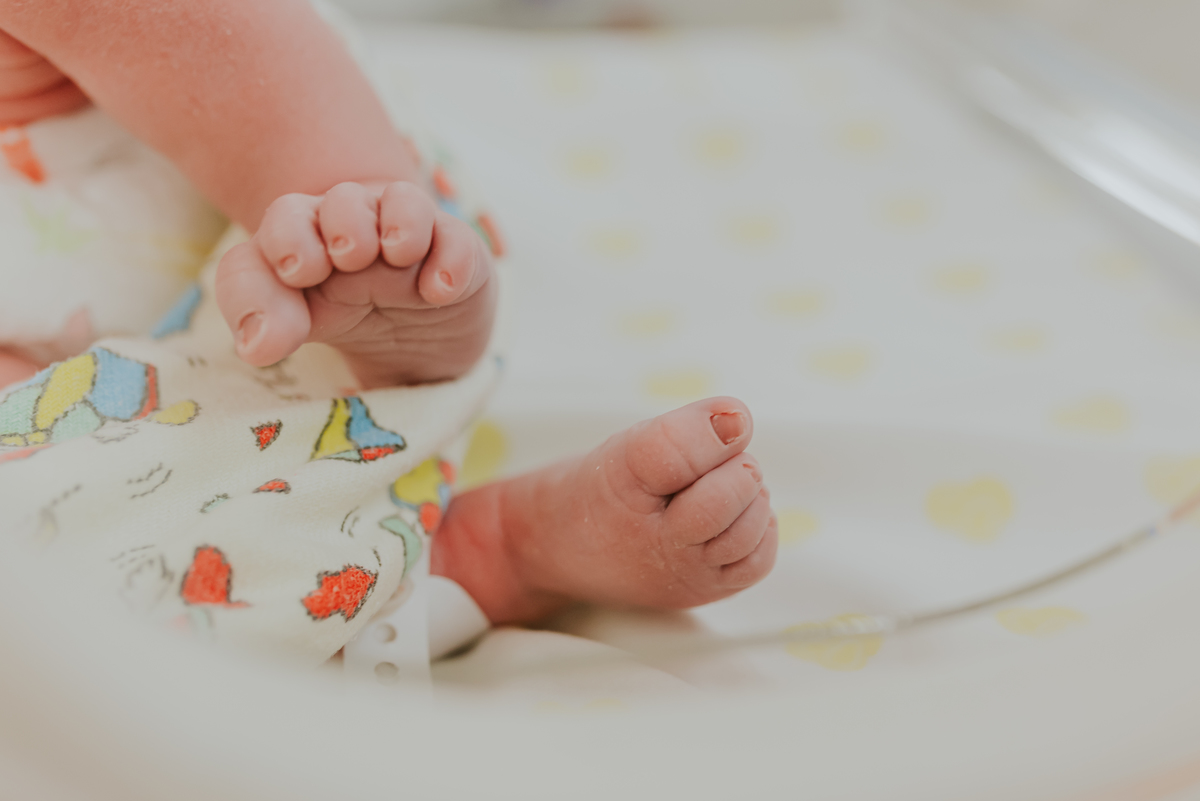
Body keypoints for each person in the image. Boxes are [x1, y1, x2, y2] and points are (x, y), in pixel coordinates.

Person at [0, 0, 776, 635]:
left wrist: (344, 206)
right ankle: (453, 567)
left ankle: (388, 336)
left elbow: (242, 62)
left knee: (80, 583)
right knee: (88, 623)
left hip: (190, 326)